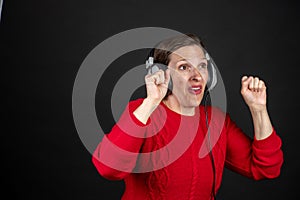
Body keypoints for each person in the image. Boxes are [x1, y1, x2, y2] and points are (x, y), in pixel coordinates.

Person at [91, 33, 283, 200]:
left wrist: (258, 109)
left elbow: (267, 168)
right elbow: (109, 169)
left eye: (202, 66)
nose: (196, 75)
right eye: (184, 67)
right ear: (161, 74)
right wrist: (150, 102)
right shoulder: (142, 113)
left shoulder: (217, 122)